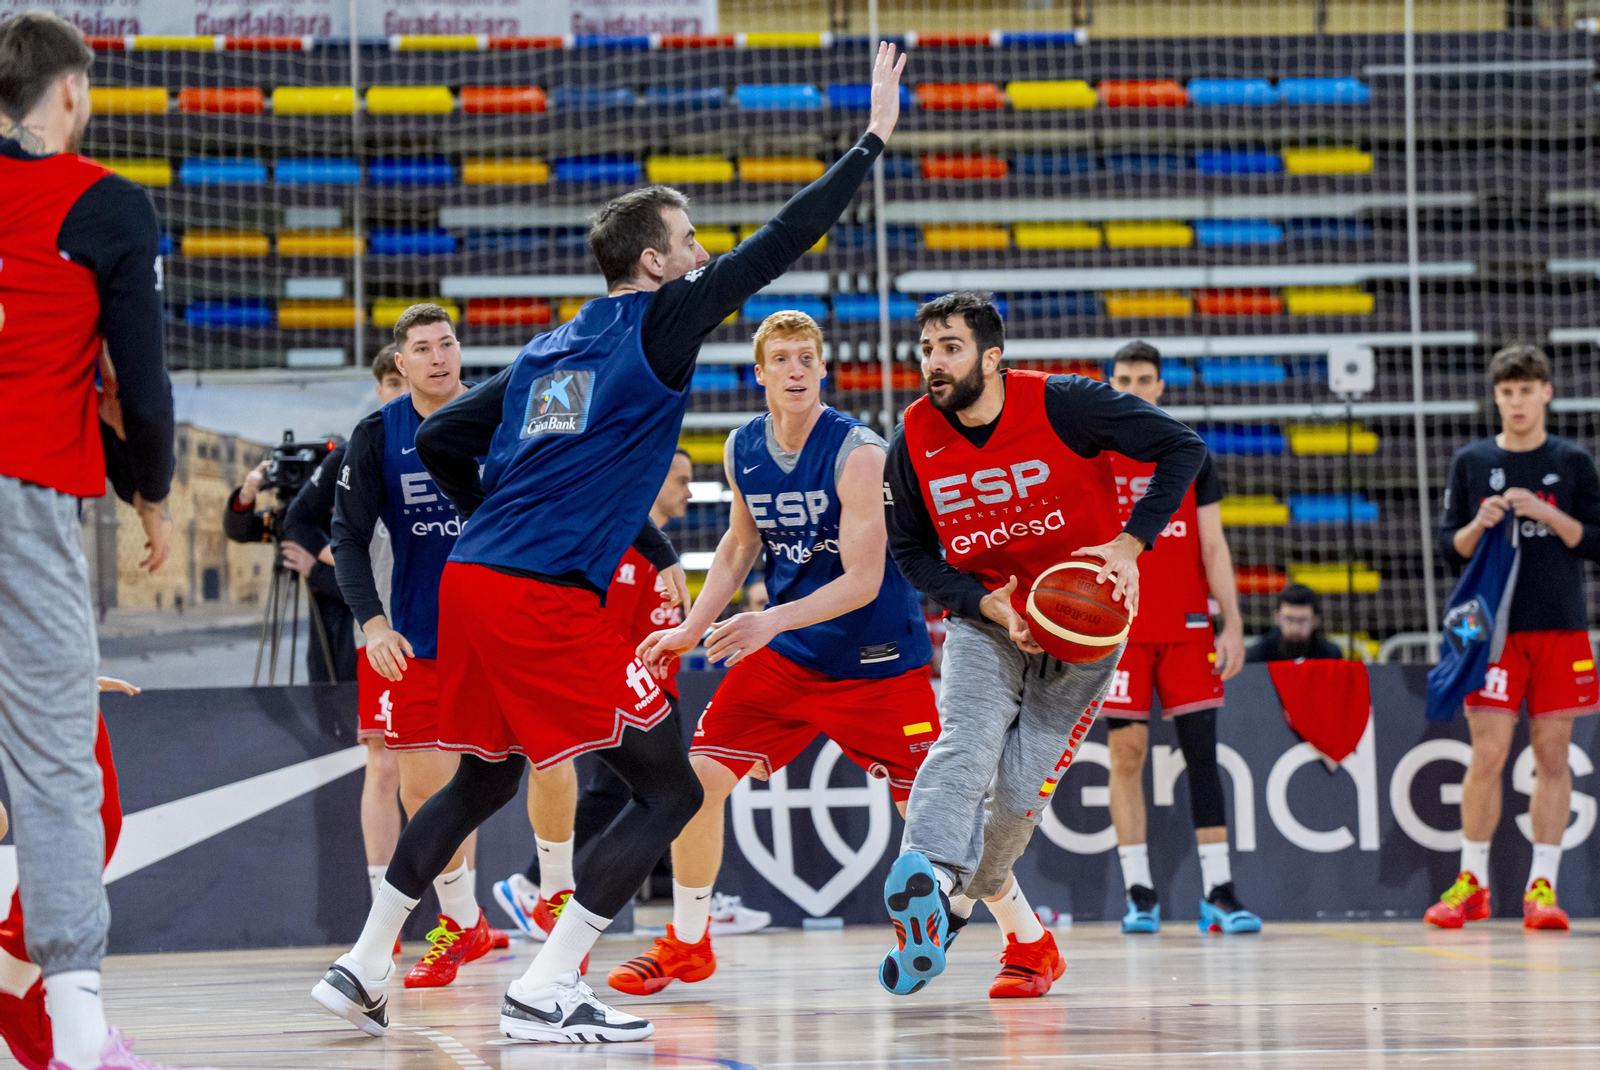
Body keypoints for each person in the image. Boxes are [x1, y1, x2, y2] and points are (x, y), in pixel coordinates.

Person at [311, 43, 906, 1044]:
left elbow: (449, 436)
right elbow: (781, 239)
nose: (703, 252)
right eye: (688, 241)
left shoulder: (553, 342)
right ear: (655, 262)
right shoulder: (661, 319)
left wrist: (505, 509)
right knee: (669, 783)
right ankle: (548, 983)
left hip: (474, 578)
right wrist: (871, 139)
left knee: (487, 774)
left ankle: (364, 961)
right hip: (539, 592)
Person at [621, 311, 1066, 999]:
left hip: (877, 662)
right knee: (695, 784)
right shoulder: (742, 447)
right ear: (760, 371)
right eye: (783, 360)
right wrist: (692, 626)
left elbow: (862, 582)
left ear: (823, 368)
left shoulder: (859, 453)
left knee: (936, 821)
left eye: (807, 358)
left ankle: (1030, 943)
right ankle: (687, 941)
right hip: (792, 655)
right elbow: (740, 546)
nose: (796, 370)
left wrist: (766, 621)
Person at [881, 292, 1206, 995]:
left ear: (992, 358)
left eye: (951, 348)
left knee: (1017, 799)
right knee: (963, 739)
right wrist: (980, 602)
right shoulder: (909, 438)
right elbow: (909, 549)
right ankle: (932, 879)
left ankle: (986, 922)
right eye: (928, 349)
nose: (934, 363)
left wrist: (1130, 542)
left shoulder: (1065, 403)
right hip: (988, 617)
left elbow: (1184, 447)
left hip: (1083, 627)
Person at [0, 13, 203, 1070]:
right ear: (70, 92)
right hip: (19, 491)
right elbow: (142, 383)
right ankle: (75, 1027)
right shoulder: (105, 205)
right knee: (56, 768)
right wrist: (151, 494)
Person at [327, 304, 597, 987]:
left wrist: (649, 555)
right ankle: (462, 921)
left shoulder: (507, 412)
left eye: (447, 343)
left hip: (509, 624)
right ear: (401, 364)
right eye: (423, 348)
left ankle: (556, 892)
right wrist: (373, 623)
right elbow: (347, 538)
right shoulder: (377, 435)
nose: (439, 356)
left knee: (550, 753)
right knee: (422, 787)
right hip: (419, 637)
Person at [1427, 344, 1600, 930]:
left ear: (1546, 393)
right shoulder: (1473, 461)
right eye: (1506, 392)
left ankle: (1541, 888)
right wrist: (1483, 520)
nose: (1516, 401)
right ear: (1496, 397)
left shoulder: (1572, 462)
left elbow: (1594, 541)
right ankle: (1470, 882)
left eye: (1526, 390)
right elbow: (1450, 548)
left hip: (1559, 625)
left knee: (1553, 755)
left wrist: (1546, 513)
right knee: (1489, 754)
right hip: (1492, 632)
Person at [1103, 343, 1258, 935]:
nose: (1136, 388)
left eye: (1146, 379)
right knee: (1127, 755)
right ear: (1110, 383)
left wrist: (1234, 619)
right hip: (1121, 627)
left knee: (1201, 755)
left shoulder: (1189, 451)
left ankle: (1220, 891)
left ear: (1162, 386)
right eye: (1125, 379)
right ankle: (1139, 893)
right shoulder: (1094, 453)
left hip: (1190, 626)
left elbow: (1213, 544)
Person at [1246, 585, 1345, 662]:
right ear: (1277, 618)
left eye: (1302, 620)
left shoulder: (1330, 656)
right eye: (1289, 619)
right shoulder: (1257, 656)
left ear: (1315, 621)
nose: (1295, 628)